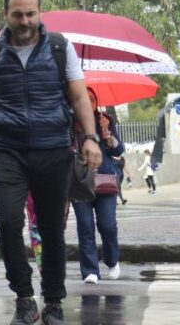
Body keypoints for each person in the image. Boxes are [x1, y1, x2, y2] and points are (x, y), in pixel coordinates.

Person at [0, 0, 101, 325]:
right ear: (6, 14)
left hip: (52, 149)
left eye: (30, 13)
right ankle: (24, 298)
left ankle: (54, 301)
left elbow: (78, 98)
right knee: (9, 222)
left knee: (51, 228)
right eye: (18, 14)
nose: (25, 20)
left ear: (39, 12)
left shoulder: (60, 48)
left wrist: (91, 138)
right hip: (8, 151)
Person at [71, 87, 123, 285]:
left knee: (107, 225)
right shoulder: (70, 123)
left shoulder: (104, 119)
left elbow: (119, 149)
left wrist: (107, 134)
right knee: (85, 227)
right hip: (79, 181)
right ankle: (90, 270)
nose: (88, 101)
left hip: (104, 180)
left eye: (92, 98)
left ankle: (112, 260)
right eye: (84, 98)